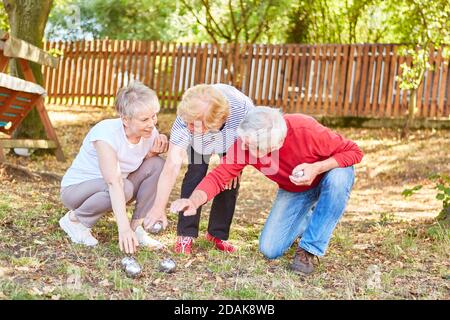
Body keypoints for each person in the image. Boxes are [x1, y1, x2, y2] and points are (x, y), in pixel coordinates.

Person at [170, 107, 363, 274]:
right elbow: (219, 176)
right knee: (270, 249)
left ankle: (309, 250)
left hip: (327, 176)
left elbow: (354, 152)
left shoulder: (305, 129)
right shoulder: (247, 141)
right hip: (295, 189)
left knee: (339, 177)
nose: (244, 148)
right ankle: (310, 217)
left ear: (276, 144)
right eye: (244, 142)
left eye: (251, 146)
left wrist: (316, 168)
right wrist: (193, 201)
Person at [144, 84, 255, 254]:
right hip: (206, 127)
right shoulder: (187, 119)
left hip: (233, 134)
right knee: (195, 173)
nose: (189, 126)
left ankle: (216, 234)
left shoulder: (244, 111)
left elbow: (250, 143)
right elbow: (171, 167)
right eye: (189, 123)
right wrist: (158, 208)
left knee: (229, 180)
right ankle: (185, 234)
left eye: (196, 125)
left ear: (217, 122)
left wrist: (232, 165)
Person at [59, 81, 168, 254]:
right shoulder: (105, 134)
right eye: (145, 119)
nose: (152, 124)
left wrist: (150, 155)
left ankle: (136, 228)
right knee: (124, 187)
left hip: (120, 186)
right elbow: (114, 182)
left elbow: (132, 165)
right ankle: (75, 220)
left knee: (158, 165)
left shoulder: (149, 133)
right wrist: (121, 229)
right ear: (125, 119)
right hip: (77, 190)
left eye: (154, 116)